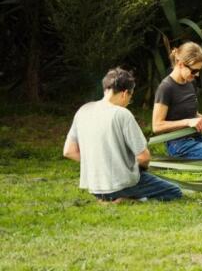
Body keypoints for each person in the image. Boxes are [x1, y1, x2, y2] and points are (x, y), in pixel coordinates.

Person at [63, 68, 182, 202]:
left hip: (96, 187)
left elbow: (69, 151)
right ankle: (127, 200)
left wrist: (98, 165)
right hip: (121, 183)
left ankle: (112, 199)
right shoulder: (122, 114)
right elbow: (144, 157)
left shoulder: (83, 110)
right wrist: (138, 170)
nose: (128, 103)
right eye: (130, 99)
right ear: (125, 93)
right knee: (174, 192)